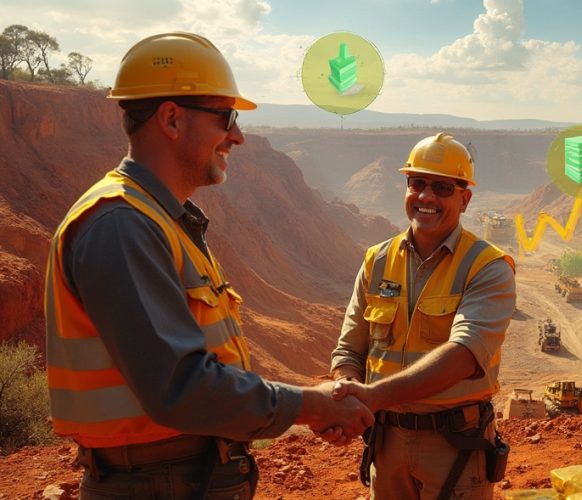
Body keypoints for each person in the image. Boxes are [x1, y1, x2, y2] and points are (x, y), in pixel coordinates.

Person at [44, 32, 373, 499]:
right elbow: (180, 386)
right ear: (172, 119)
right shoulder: (123, 225)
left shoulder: (161, 220)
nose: (237, 135)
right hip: (161, 485)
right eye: (226, 118)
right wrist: (311, 406)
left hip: (183, 478)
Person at [330, 132, 517, 499]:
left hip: (453, 447)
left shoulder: (487, 268)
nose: (426, 197)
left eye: (443, 188)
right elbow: (349, 350)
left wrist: (372, 396)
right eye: (417, 183)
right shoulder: (377, 261)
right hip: (386, 443)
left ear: (465, 199)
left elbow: (463, 355)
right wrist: (346, 391)